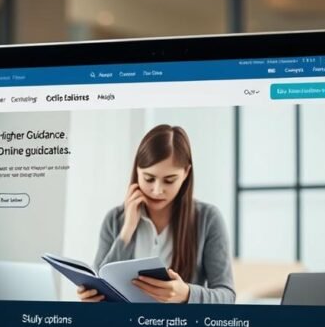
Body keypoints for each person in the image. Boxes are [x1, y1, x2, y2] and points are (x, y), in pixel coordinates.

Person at [77, 124, 236, 304]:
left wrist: (187, 294)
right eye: (149, 178)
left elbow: (227, 296)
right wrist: (127, 230)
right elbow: (99, 283)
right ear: (137, 170)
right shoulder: (115, 219)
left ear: (186, 174)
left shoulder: (208, 219)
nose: (157, 190)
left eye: (169, 180)